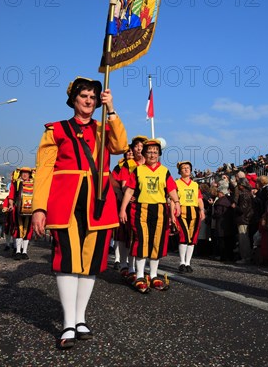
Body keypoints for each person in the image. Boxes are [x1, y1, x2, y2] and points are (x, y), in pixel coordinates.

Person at [32, 77, 128, 349]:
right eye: (84, 96)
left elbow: (121, 147)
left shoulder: (103, 128)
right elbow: (44, 170)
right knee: (67, 259)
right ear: (73, 99)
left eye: (93, 97)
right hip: (66, 202)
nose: (89, 101)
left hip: (99, 202)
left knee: (91, 262)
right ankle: (68, 322)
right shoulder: (56, 130)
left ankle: (81, 317)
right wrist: (39, 207)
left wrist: (112, 110)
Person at [119, 139, 181, 293]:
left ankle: (153, 275)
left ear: (159, 154)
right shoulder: (138, 170)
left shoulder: (164, 171)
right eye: (149, 151)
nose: (152, 154)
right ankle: (140, 275)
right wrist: (122, 209)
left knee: (157, 242)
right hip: (141, 209)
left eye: (155, 151)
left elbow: (171, 189)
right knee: (141, 240)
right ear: (144, 153)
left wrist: (177, 202)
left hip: (160, 209)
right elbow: (129, 191)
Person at [111, 135, 147, 280]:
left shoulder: (151, 165)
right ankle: (127, 265)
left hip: (146, 205)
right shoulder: (127, 165)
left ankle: (142, 270)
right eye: (136, 146)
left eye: (142, 146)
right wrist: (126, 195)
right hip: (129, 203)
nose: (139, 149)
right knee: (127, 235)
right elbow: (123, 184)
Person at [175, 161, 205, 273]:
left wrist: (202, 210)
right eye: (183, 168)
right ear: (180, 171)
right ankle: (182, 262)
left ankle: (188, 262)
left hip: (193, 211)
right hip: (181, 211)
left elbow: (199, 199)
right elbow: (173, 198)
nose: (186, 169)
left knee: (192, 238)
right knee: (184, 236)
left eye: (188, 168)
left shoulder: (195, 184)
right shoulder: (176, 183)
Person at [6, 167, 35, 260]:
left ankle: (24, 251)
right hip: (17, 209)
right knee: (18, 228)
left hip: (30, 210)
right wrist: (11, 205)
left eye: (27, 173)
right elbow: (11, 196)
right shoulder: (16, 183)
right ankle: (18, 251)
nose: (25, 174)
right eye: (23, 173)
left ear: (30, 174)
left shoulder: (35, 183)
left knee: (28, 229)